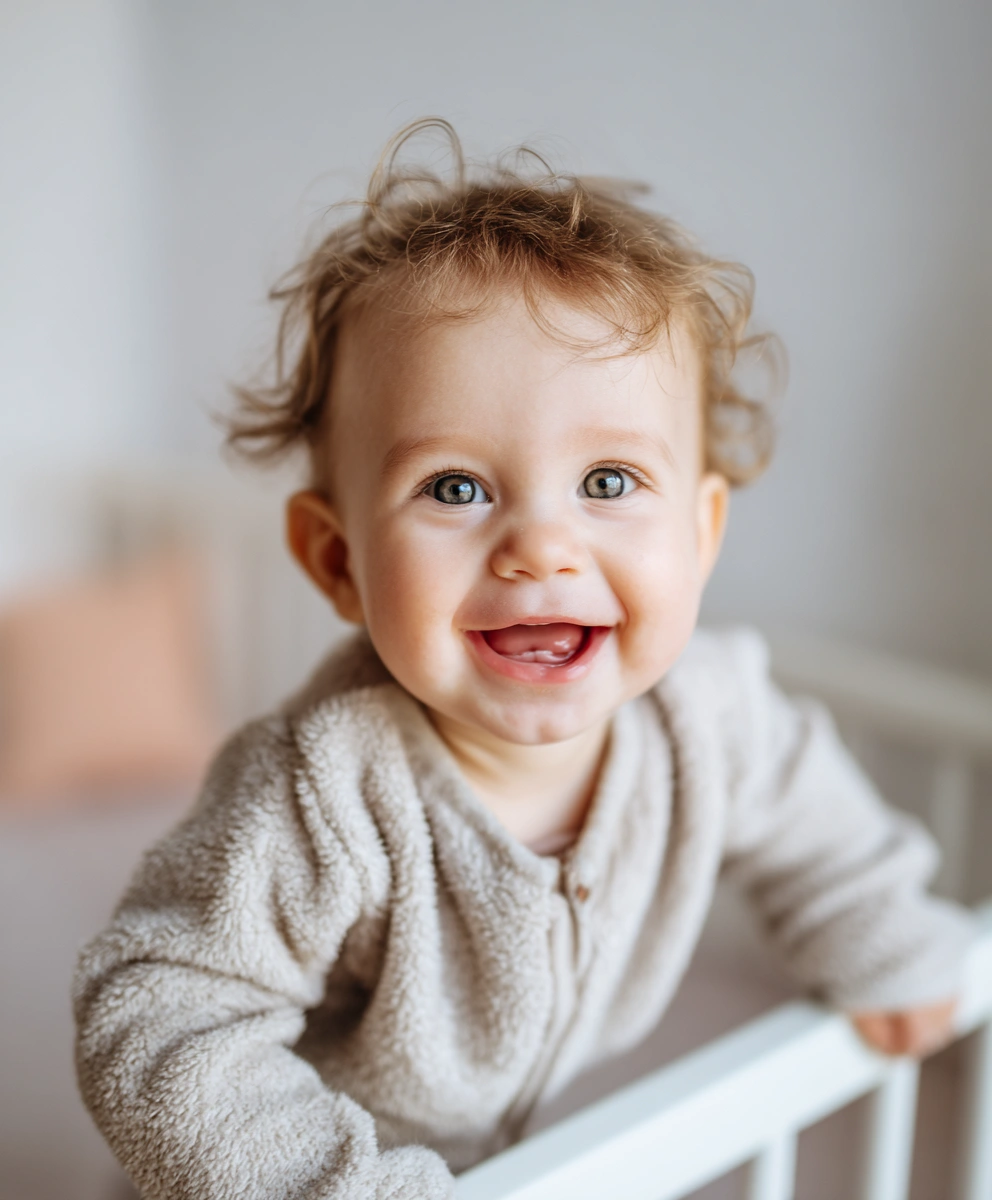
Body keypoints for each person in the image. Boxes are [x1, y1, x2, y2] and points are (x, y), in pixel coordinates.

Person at [73, 120, 973, 1199]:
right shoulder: (324, 790)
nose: (541, 546)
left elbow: (814, 823)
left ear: (698, 533)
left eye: (605, 483)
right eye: (455, 487)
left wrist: (878, 935)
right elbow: (156, 1009)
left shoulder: (711, 719)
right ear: (338, 560)